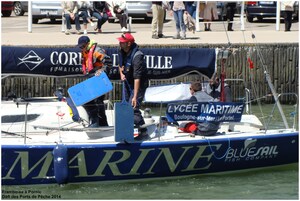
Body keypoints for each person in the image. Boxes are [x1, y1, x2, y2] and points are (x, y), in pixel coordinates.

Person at [117, 33, 149, 141]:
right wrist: (121, 74)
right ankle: (127, 131)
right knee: (125, 107)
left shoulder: (138, 56)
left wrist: (135, 96)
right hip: (127, 82)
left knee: (133, 108)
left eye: (122, 42)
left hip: (138, 84)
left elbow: (137, 78)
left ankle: (144, 132)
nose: (120, 43)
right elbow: (120, 65)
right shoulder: (121, 51)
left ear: (129, 43)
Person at [76, 36, 110, 127]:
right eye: (80, 47)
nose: (81, 48)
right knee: (87, 99)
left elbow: (108, 62)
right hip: (91, 78)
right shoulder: (85, 51)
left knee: (97, 100)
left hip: (100, 78)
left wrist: (101, 70)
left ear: (88, 43)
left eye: (82, 46)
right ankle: (99, 122)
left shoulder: (97, 51)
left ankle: (98, 123)